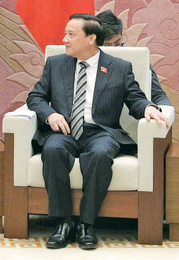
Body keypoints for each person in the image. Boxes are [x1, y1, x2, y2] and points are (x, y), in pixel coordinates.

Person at [26, 13, 169, 250]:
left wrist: (149, 109)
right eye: (65, 34)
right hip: (65, 131)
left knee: (101, 154)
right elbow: (36, 97)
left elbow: (135, 100)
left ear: (91, 38)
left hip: (101, 132)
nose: (64, 40)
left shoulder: (119, 68)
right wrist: (50, 114)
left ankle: (87, 224)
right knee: (52, 149)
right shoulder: (56, 64)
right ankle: (63, 223)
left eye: (71, 35)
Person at [96, 10, 171, 106]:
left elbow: (158, 95)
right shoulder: (87, 61)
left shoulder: (137, 59)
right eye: (107, 45)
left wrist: (163, 111)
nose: (114, 48)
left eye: (117, 43)